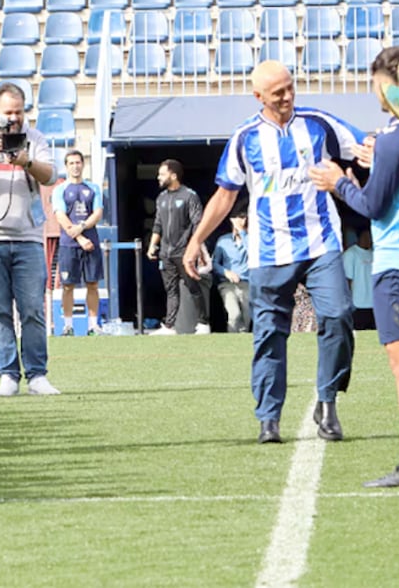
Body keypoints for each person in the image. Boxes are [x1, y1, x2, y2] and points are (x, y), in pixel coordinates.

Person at [183, 60, 361, 445]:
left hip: (321, 242)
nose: (287, 97)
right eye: (278, 92)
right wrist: (197, 240)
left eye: (290, 88)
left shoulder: (319, 123)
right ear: (258, 96)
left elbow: (365, 148)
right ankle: (269, 418)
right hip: (268, 251)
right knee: (268, 335)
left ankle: (327, 401)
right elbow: (225, 195)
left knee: (339, 314)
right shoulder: (245, 137)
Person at [315, 46, 399, 487]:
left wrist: (338, 183)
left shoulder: (396, 137)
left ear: (393, 83)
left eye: (377, 82)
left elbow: (374, 207)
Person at [0, 81, 60, 397]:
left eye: (19, 112)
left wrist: (25, 161)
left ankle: (37, 374)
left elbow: (51, 175)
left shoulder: (36, 138)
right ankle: (8, 374)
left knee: (32, 310)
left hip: (28, 237)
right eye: (7, 112)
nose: (13, 118)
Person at [148, 159, 206, 335]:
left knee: (192, 286)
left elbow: (198, 223)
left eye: (162, 174)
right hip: (166, 252)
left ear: (173, 175)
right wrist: (153, 245)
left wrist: (197, 248)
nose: (158, 177)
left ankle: (203, 323)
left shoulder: (189, 196)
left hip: (184, 251)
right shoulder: (162, 198)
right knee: (171, 289)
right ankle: (169, 326)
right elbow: (158, 224)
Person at [52, 150, 104, 336]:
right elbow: (61, 215)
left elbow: (97, 213)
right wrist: (79, 237)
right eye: (71, 163)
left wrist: (81, 227)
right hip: (69, 245)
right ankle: (68, 325)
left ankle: (93, 326)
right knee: (68, 286)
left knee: (93, 284)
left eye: (78, 162)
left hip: (91, 243)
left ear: (83, 164)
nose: (75, 166)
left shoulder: (93, 188)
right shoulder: (60, 190)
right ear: (66, 166)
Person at [212, 205, 251, 333]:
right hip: (227, 284)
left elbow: (253, 252)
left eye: (244, 218)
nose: (242, 220)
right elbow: (215, 263)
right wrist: (226, 272)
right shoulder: (223, 240)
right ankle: (232, 339)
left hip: (247, 283)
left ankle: (242, 345)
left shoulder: (252, 239)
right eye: (239, 218)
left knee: (247, 318)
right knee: (234, 315)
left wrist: (243, 232)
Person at [341, 230, 374, 332]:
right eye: (367, 236)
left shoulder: (374, 253)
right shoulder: (351, 254)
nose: (369, 240)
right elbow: (347, 279)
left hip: (373, 303)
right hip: (357, 304)